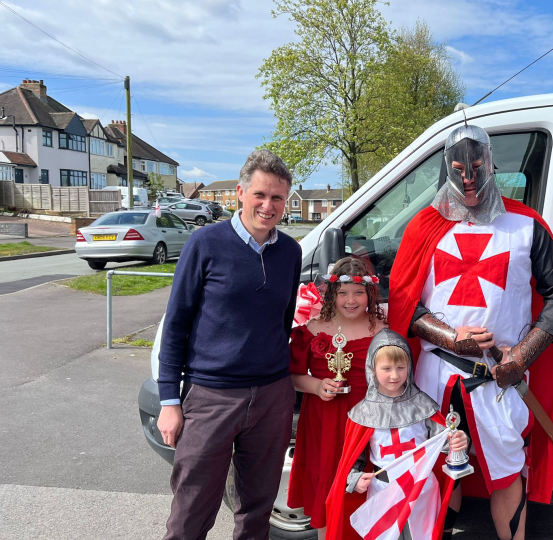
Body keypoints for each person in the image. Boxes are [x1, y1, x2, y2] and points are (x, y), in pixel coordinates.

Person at [387, 123, 553, 540]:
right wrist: (451, 338)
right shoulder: (425, 226)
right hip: (436, 376)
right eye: (458, 168)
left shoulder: (526, 225)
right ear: (445, 168)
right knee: (437, 467)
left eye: (476, 166)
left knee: (508, 470)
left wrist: (521, 357)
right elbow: (404, 303)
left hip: (498, 378)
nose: (468, 179)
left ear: (491, 164)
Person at [156, 149, 301, 540]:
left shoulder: (290, 251)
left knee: (257, 510)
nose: (268, 206)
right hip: (211, 396)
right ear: (240, 192)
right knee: (191, 509)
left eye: (277, 198)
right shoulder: (205, 243)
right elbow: (176, 326)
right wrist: (170, 401)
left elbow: (282, 321)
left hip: (271, 396)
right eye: (260, 195)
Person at [326, 329, 468, 540]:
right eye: (386, 368)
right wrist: (354, 479)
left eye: (401, 368)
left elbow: (444, 443)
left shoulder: (423, 405)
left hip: (421, 487)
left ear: (409, 367)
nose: (394, 375)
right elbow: (353, 461)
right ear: (372, 369)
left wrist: (457, 441)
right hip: (383, 487)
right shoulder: (362, 413)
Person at [287, 257, 387, 540]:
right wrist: (317, 386)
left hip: (369, 422)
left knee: (366, 491)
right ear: (332, 294)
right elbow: (292, 375)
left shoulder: (383, 329)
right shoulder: (314, 329)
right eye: (343, 293)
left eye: (358, 292)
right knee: (328, 488)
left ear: (370, 293)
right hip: (324, 422)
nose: (351, 300)